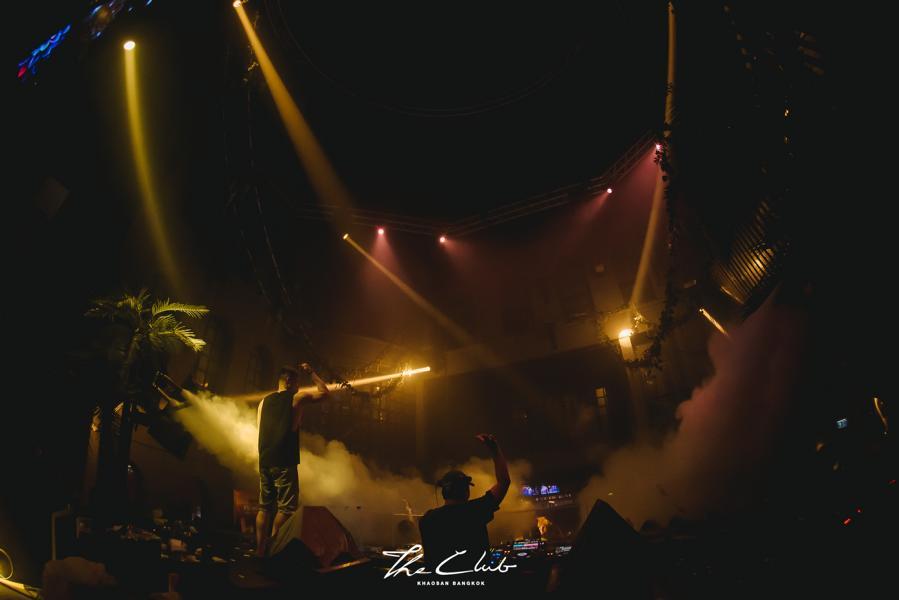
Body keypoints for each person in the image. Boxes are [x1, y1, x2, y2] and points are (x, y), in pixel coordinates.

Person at [255, 362, 330, 557]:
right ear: (289, 381)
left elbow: (259, 430)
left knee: (264, 508)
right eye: (296, 383)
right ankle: (274, 549)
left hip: (265, 459)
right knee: (286, 508)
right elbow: (325, 393)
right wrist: (311, 372)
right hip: (284, 459)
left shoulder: (263, 402)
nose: (298, 387)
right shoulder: (296, 398)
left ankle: (260, 551)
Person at [418, 434, 511, 571]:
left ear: (443, 492)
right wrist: (495, 450)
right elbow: (504, 482)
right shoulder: (475, 511)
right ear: (465, 491)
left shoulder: (426, 520)